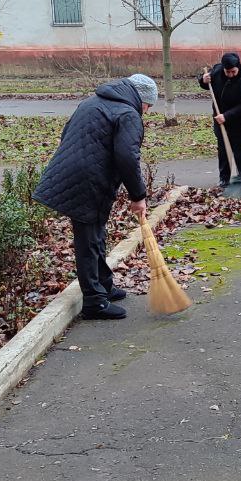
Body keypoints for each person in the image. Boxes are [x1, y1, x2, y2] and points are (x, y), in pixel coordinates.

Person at [33, 74, 157, 320]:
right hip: (88, 179)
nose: (147, 111)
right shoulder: (128, 114)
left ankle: (104, 285)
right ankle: (94, 301)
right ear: (141, 99)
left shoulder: (93, 102)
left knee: (95, 233)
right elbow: (127, 157)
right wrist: (138, 196)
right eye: (148, 105)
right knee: (88, 239)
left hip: (73, 172)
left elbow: (67, 134)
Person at [198, 52, 241, 189]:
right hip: (220, 118)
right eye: (228, 72)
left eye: (233, 72)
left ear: (238, 67)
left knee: (240, 149)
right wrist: (203, 81)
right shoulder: (217, 71)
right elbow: (208, 85)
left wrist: (226, 116)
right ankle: (224, 179)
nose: (230, 74)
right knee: (223, 149)